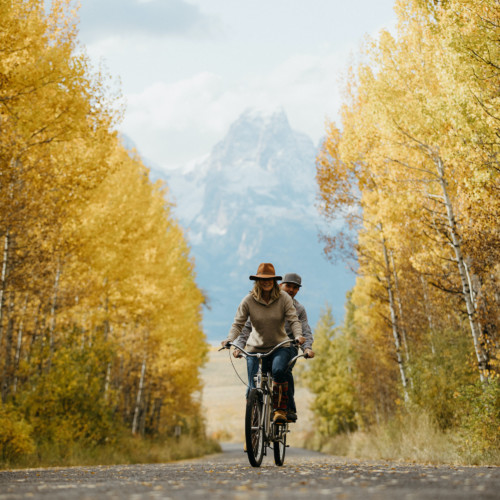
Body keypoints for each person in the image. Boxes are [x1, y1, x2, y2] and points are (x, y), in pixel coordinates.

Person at [221, 263, 305, 423]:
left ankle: (280, 410)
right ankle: (252, 432)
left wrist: (299, 336)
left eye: (269, 279)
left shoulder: (284, 298)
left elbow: (294, 320)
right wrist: (230, 339)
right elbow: (238, 324)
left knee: (279, 370)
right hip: (255, 348)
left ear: (274, 281)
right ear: (257, 281)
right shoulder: (248, 300)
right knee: (253, 386)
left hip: (280, 346)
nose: (265, 282)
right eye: (262, 279)